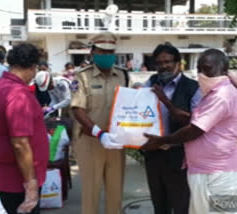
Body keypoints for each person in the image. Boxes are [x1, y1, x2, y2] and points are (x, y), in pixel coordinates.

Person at [142, 49, 237, 214]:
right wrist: (165, 101)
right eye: (199, 69)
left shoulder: (222, 95)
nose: (201, 74)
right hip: (201, 170)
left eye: (207, 69)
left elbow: (195, 129)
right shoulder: (211, 93)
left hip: (219, 173)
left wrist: (163, 140)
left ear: (222, 69)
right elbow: (194, 118)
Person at [70, 32, 131, 214]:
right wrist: (98, 133)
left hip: (116, 142)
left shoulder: (123, 76)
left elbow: (131, 105)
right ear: (93, 52)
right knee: (91, 194)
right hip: (90, 142)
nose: (107, 55)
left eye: (110, 51)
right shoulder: (82, 77)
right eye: (102, 51)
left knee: (115, 193)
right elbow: (77, 109)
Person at [0, 43, 49, 214]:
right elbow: (20, 143)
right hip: (18, 180)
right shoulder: (18, 94)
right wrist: (31, 184)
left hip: (9, 175)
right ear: (32, 67)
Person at [142, 44, 202, 214]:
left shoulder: (193, 87)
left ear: (178, 63)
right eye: (159, 63)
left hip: (179, 156)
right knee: (159, 203)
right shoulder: (150, 82)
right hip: (153, 154)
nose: (163, 66)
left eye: (168, 61)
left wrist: (165, 101)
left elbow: (192, 124)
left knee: (181, 203)